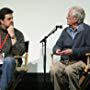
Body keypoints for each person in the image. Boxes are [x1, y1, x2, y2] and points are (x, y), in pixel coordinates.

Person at [50, 6, 90, 90]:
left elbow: (88, 48)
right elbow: (57, 45)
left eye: (69, 16)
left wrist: (73, 51)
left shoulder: (87, 30)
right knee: (54, 69)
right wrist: (56, 50)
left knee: (70, 70)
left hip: (80, 61)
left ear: (76, 19)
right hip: (64, 61)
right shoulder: (65, 31)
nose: (66, 17)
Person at [0, 7, 25, 90]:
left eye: (12, 18)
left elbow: (19, 52)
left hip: (11, 63)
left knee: (9, 60)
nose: (11, 21)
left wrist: (12, 36)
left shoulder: (18, 34)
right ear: (1, 21)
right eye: (9, 19)